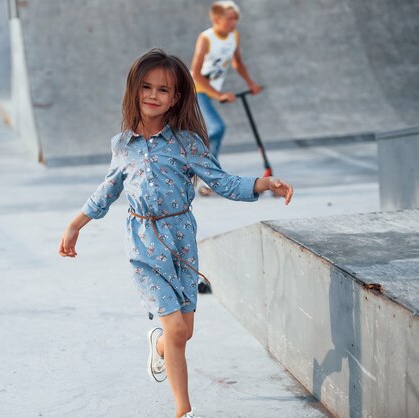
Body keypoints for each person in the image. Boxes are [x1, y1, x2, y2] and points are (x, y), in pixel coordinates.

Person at [58, 48, 293, 418]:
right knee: (178, 332)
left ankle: (159, 343)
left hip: (182, 241)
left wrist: (263, 183)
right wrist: (75, 225)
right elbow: (106, 192)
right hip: (143, 244)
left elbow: (222, 181)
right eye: (146, 87)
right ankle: (183, 410)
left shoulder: (188, 144)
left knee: (182, 333)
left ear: (176, 97)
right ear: (135, 90)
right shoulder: (123, 146)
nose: (153, 95)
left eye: (163, 90)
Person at [191, 1, 263, 196]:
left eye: (235, 18)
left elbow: (238, 63)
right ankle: (200, 166)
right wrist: (219, 95)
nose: (234, 22)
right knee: (216, 128)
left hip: (210, 90)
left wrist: (251, 84)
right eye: (229, 19)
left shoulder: (234, 36)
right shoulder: (206, 38)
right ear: (216, 19)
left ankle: (207, 175)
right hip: (195, 90)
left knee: (214, 132)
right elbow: (196, 74)